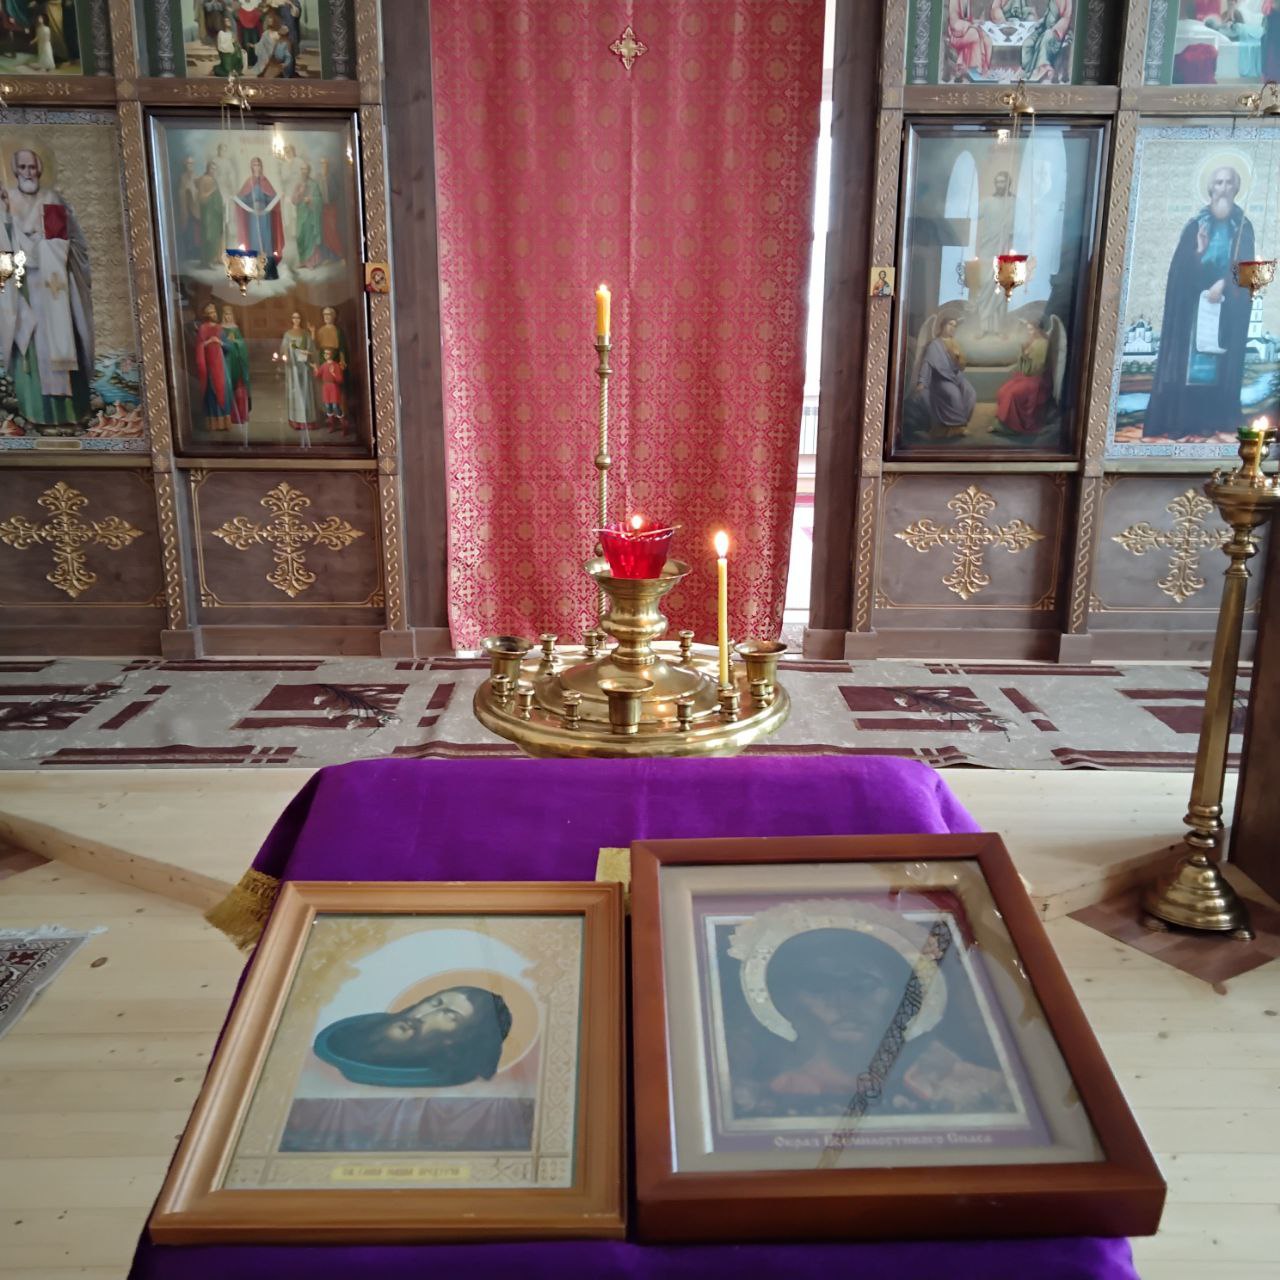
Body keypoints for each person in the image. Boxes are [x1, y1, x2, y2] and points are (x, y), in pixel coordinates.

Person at [738, 928, 1013, 1117]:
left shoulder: (965, 1087)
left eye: (865, 985)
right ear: (789, 1003)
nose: (844, 1003)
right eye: (819, 987)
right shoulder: (761, 1097)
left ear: (897, 995)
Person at [1145, 164, 1254, 440]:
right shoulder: (1196, 225)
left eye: (1229, 183)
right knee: (1191, 366)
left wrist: (1224, 283)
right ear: (1210, 188)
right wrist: (1198, 252)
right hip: (1193, 310)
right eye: (1218, 183)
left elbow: (1247, 270)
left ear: (1236, 189)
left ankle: (1210, 419)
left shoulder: (1243, 227)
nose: (1223, 189)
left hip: (1226, 310)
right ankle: (1185, 420)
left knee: (1217, 365)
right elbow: (1179, 272)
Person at [0, 146, 94, 428]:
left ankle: (71, 413)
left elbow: (75, 244)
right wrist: (6, 220)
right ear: (15, 170)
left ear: (40, 169)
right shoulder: (6, 200)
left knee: (63, 338)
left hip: (57, 289)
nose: (28, 173)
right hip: (25, 288)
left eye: (32, 167)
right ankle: (35, 412)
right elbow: (3, 253)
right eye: (22, 167)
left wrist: (50, 248)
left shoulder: (52, 199)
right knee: (31, 342)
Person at [314, 986, 514, 1087]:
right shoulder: (349, 1034)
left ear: (459, 1040)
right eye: (435, 1003)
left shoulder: (445, 1084)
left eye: (449, 1016)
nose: (422, 1016)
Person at [915, 315, 976, 437]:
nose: (952, 328)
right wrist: (922, 381)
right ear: (943, 326)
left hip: (955, 376)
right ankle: (957, 426)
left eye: (955, 326)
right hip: (940, 378)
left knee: (971, 393)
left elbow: (961, 366)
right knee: (954, 394)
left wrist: (958, 358)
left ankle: (961, 422)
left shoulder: (955, 343)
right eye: (950, 324)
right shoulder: (934, 345)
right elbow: (927, 363)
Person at [994, 317, 1052, 436]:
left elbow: (1037, 368)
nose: (1030, 332)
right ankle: (1004, 423)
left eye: (1032, 329)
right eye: (1028, 329)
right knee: (1003, 391)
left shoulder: (1042, 344)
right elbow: (1022, 364)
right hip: (1025, 377)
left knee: (1012, 394)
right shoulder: (1032, 341)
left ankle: (1012, 427)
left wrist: (1026, 356)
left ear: (1038, 329)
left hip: (1036, 380)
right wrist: (1023, 353)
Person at [975, 170, 1016, 336]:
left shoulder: (1014, 203)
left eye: (1003, 182)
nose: (1000, 185)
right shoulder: (987, 202)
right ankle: (983, 327)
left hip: (1005, 250)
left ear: (1008, 184)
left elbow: (1023, 223)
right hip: (988, 249)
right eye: (998, 182)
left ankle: (999, 328)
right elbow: (972, 214)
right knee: (986, 285)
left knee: (1003, 286)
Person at [233, 155, 284, 271]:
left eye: (258, 165)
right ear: (251, 167)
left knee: (266, 237)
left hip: (264, 215)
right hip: (253, 216)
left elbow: (272, 198)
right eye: (254, 165)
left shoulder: (265, 181)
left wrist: (269, 205)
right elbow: (242, 198)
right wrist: (244, 203)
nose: (256, 167)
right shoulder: (249, 182)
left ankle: (268, 267)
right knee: (254, 239)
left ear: (261, 167)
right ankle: (255, 267)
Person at [194, 301, 233, 432]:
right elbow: (199, 346)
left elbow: (229, 347)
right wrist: (209, 342)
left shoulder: (220, 328)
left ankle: (224, 423)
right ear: (206, 315)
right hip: (209, 366)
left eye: (214, 311)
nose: (214, 314)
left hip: (221, 365)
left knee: (224, 391)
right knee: (211, 392)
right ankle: (213, 423)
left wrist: (220, 342)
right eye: (211, 312)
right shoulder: (203, 328)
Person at [279, 310, 317, 432]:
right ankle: (295, 420)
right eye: (294, 317)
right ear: (291, 319)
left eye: (298, 317)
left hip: (304, 366)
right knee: (296, 391)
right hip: (293, 366)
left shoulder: (305, 333)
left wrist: (313, 332)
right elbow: (284, 348)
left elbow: (311, 347)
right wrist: (286, 355)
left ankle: (307, 420)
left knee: (305, 391)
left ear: (301, 319)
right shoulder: (288, 334)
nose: (296, 320)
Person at [1022, 0, 1073, 82]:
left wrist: (1054, 29)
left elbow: (1066, 18)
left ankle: (1045, 68)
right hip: (1044, 29)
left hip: (1057, 30)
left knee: (1045, 39)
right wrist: (1039, 23)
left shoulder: (1067, 1)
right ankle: (1028, 71)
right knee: (1028, 42)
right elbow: (1047, 16)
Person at [220, 303, 250, 428]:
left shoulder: (235, 328)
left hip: (237, 361)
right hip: (227, 361)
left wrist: (236, 341)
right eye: (226, 314)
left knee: (239, 388)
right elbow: (221, 344)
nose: (228, 317)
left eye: (229, 314)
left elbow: (242, 344)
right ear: (223, 316)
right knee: (228, 387)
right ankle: (231, 415)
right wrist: (226, 343)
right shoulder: (221, 328)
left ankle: (241, 415)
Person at [291, 160, 325, 267]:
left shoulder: (314, 184)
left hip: (310, 215)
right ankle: (303, 261)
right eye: (302, 169)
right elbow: (293, 200)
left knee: (310, 237)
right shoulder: (298, 185)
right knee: (300, 236)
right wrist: (299, 193)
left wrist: (311, 200)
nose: (303, 171)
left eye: (305, 169)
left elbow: (319, 200)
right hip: (301, 215)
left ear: (309, 171)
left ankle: (311, 261)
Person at [946, 0, 992, 80]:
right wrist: (971, 25)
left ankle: (985, 69)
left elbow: (967, 19)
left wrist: (976, 22)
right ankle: (975, 70)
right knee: (975, 34)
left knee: (987, 40)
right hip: (956, 35)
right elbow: (954, 23)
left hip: (966, 31)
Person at [195, 159, 224, 268]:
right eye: (212, 168)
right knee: (209, 236)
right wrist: (211, 191)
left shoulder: (214, 179)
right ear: (207, 168)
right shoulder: (203, 179)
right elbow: (201, 197)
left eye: (215, 169)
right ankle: (206, 261)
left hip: (216, 213)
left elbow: (218, 195)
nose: (213, 171)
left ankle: (212, 259)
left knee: (215, 236)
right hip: (208, 213)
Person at [175, 153, 200, 262]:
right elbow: (180, 192)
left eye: (191, 163)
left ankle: (196, 252)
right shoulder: (183, 177)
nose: (190, 165)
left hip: (195, 207)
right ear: (185, 165)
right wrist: (186, 191)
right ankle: (188, 252)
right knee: (187, 229)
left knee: (196, 231)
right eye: (188, 163)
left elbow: (199, 191)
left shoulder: (196, 176)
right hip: (186, 208)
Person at [316, 346, 345, 430]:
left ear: (331, 355)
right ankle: (332, 426)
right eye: (325, 353)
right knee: (328, 406)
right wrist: (315, 368)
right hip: (326, 388)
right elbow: (318, 374)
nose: (326, 355)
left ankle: (344, 425)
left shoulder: (336, 365)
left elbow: (340, 379)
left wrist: (333, 373)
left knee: (335, 406)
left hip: (334, 387)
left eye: (328, 353)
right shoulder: (323, 365)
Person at [234, 0, 263, 66]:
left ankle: (255, 61)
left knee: (255, 44)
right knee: (246, 44)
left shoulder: (255, 6)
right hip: (245, 30)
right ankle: (247, 62)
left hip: (254, 29)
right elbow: (237, 16)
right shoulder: (241, 7)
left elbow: (259, 16)